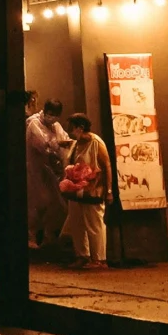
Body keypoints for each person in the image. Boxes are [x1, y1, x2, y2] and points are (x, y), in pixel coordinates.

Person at [59, 114, 112, 269]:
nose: (69, 131)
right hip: (77, 189)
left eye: (71, 128)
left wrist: (109, 191)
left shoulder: (96, 142)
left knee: (94, 223)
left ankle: (100, 259)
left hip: (93, 188)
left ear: (80, 128)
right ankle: (82, 255)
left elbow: (106, 165)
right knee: (77, 223)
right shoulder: (76, 143)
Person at [22, 94, 67, 248]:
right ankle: (31, 237)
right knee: (36, 203)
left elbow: (63, 138)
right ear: (45, 111)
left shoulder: (55, 125)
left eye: (55, 116)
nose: (52, 119)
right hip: (35, 168)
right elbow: (44, 145)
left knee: (55, 203)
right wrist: (58, 146)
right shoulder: (34, 123)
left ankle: (49, 235)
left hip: (49, 170)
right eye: (50, 115)